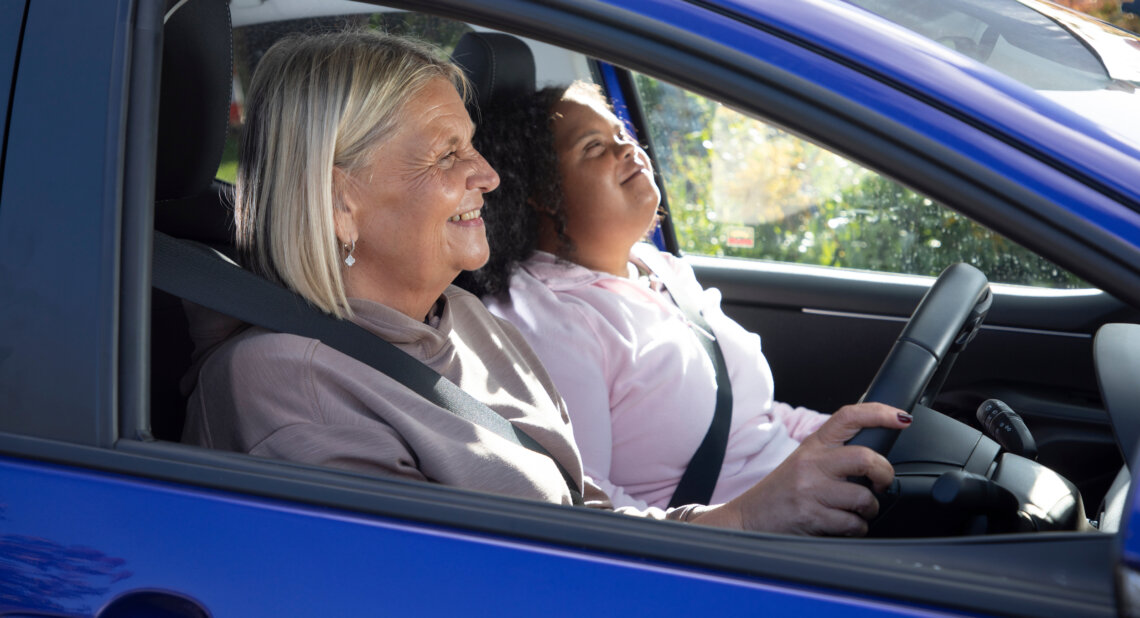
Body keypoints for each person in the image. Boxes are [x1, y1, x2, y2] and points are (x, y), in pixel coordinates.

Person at [181, 30, 911, 537]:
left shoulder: (465, 319)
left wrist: (752, 518)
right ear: (341, 201)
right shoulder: (290, 389)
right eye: (447, 156)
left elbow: (577, 519)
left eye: (474, 146)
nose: (489, 176)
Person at [465, 81, 836, 510]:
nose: (627, 149)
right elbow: (581, 503)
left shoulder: (657, 268)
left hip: (812, 509)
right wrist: (749, 521)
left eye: (622, 135)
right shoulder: (544, 320)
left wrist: (843, 436)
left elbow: (756, 421)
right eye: (594, 147)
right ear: (541, 193)